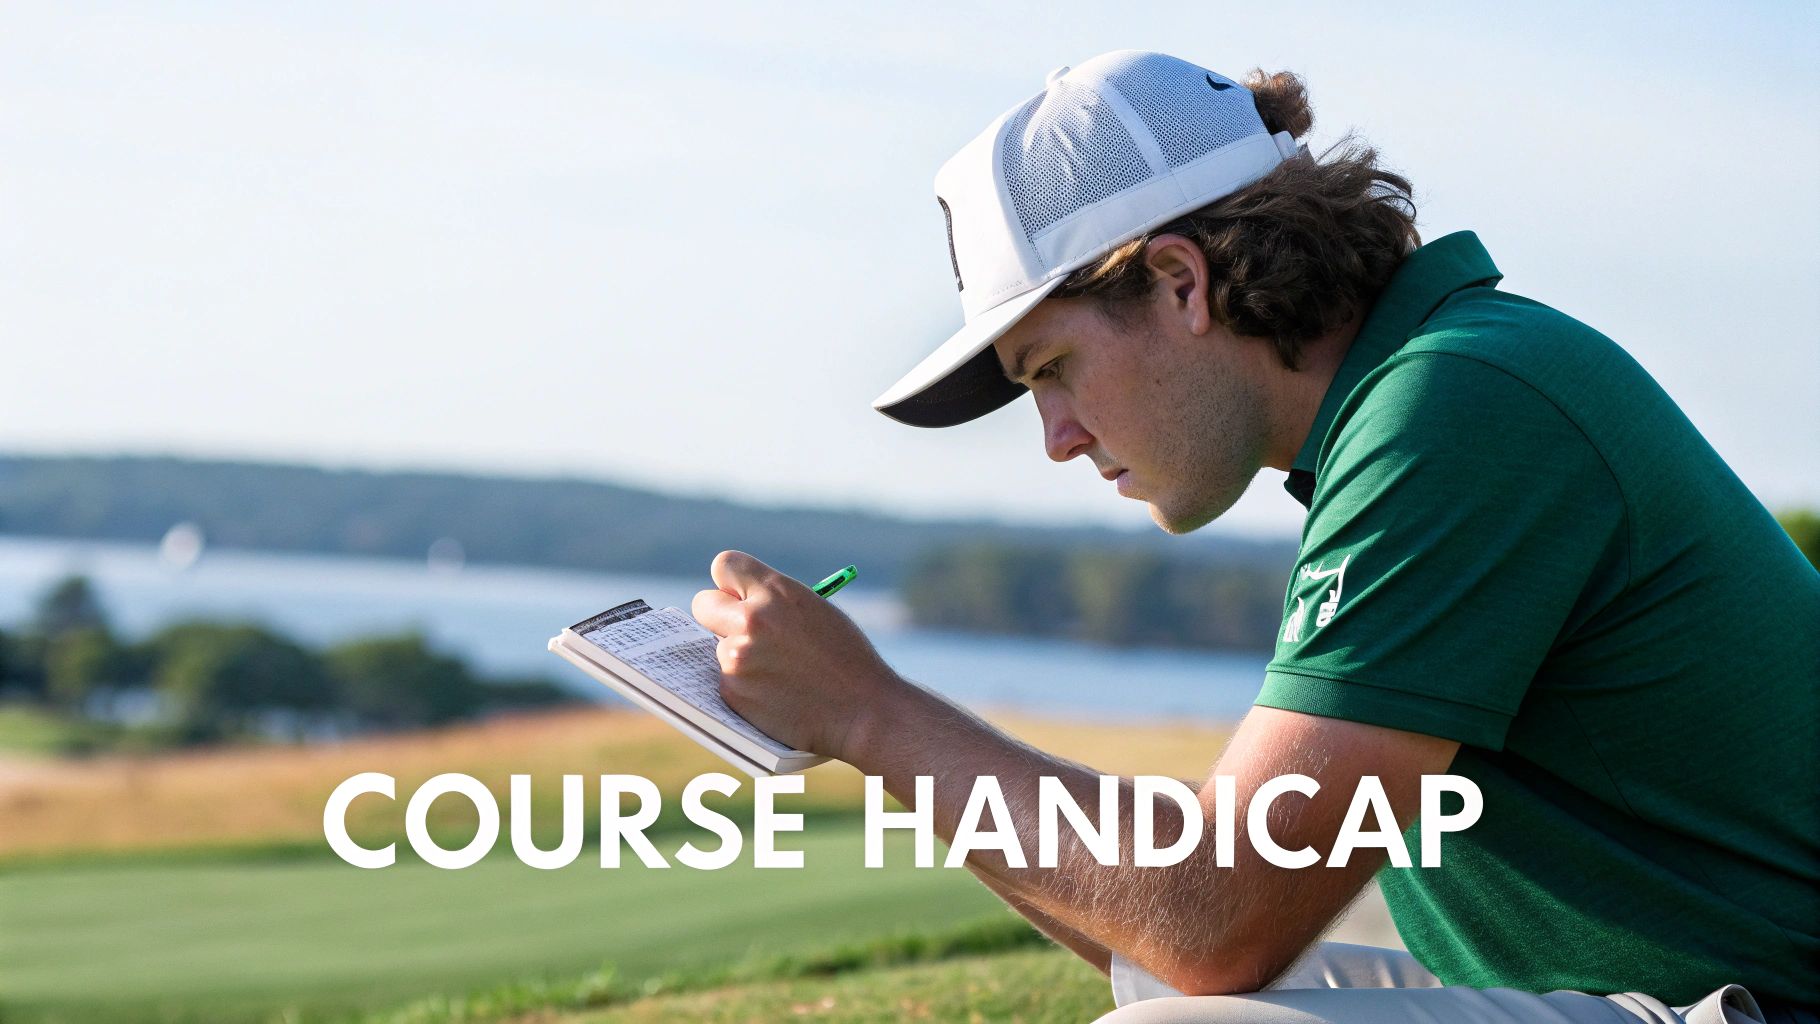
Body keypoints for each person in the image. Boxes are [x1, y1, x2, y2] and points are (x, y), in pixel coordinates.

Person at [688, 50, 1819, 1024]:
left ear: (1179, 282)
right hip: (1677, 994)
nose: (1057, 437)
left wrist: (867, 712)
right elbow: (1178, 929)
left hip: (1752, 1001)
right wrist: (867, 724)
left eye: (1052, 370)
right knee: (1166, 989)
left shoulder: (1455, 406)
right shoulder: (1419, 395)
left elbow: (1213, 915)